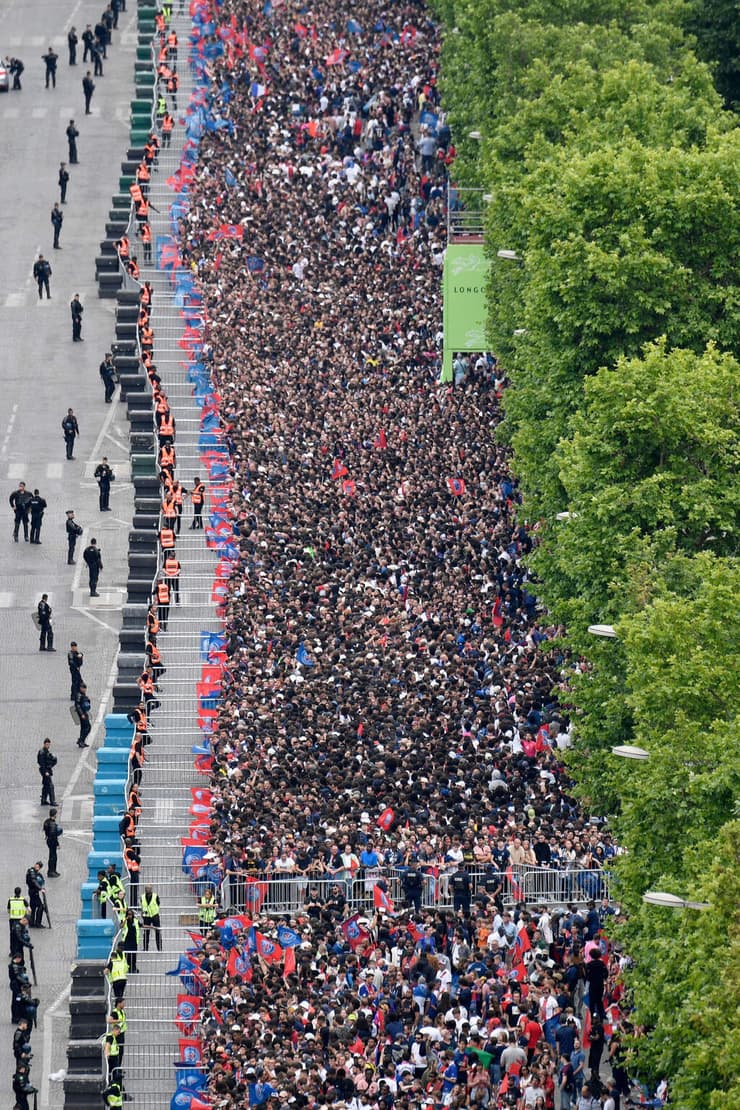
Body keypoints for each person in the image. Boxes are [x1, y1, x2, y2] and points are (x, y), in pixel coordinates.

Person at [141, 886, 162, 951]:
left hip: (155, 916)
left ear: (151, 889)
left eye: (149, 888)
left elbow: (158, 904)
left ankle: (159, 948)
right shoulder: (142, 897)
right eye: (146, 888)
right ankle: (145, 948)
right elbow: (142, 906)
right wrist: (142, 913)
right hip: (146, 916)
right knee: (146, 933)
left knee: (157, 932)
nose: (148, 890)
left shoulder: (155, 896)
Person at [37, 737, 57, 805]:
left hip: (46, 770)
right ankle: (52, 801)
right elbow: (41, 763)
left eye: (49, 744)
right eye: (47, 744)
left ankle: (43, 800)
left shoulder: (46, 751)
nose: (48, 746)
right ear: (44, 744)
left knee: (45, 785)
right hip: (45, 771)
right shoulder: (42, 752)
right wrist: (45, 772)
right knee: (50, 786)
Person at [43, 808, 62, 876]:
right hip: (52, 842)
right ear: (54, 815)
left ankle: (52, 871)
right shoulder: (52, 824)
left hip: (49, 840)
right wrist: (57, 844)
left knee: (52, 856)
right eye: (56, 814)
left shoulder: (47, 821)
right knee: (53, 857)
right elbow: (54, 836)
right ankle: (51, 871)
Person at [26, 863, 46, 928]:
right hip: (34, 891)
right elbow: (34, 881)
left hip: (33, 891)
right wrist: (40, 888)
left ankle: (31, 922)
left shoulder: (36, 873)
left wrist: (41, 887)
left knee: (33, 907)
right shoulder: (32, 872)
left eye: (38, 867)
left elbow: (41, 881)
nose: (36, 867)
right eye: (36, 866)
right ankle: (38, 923)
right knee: (40, 906)